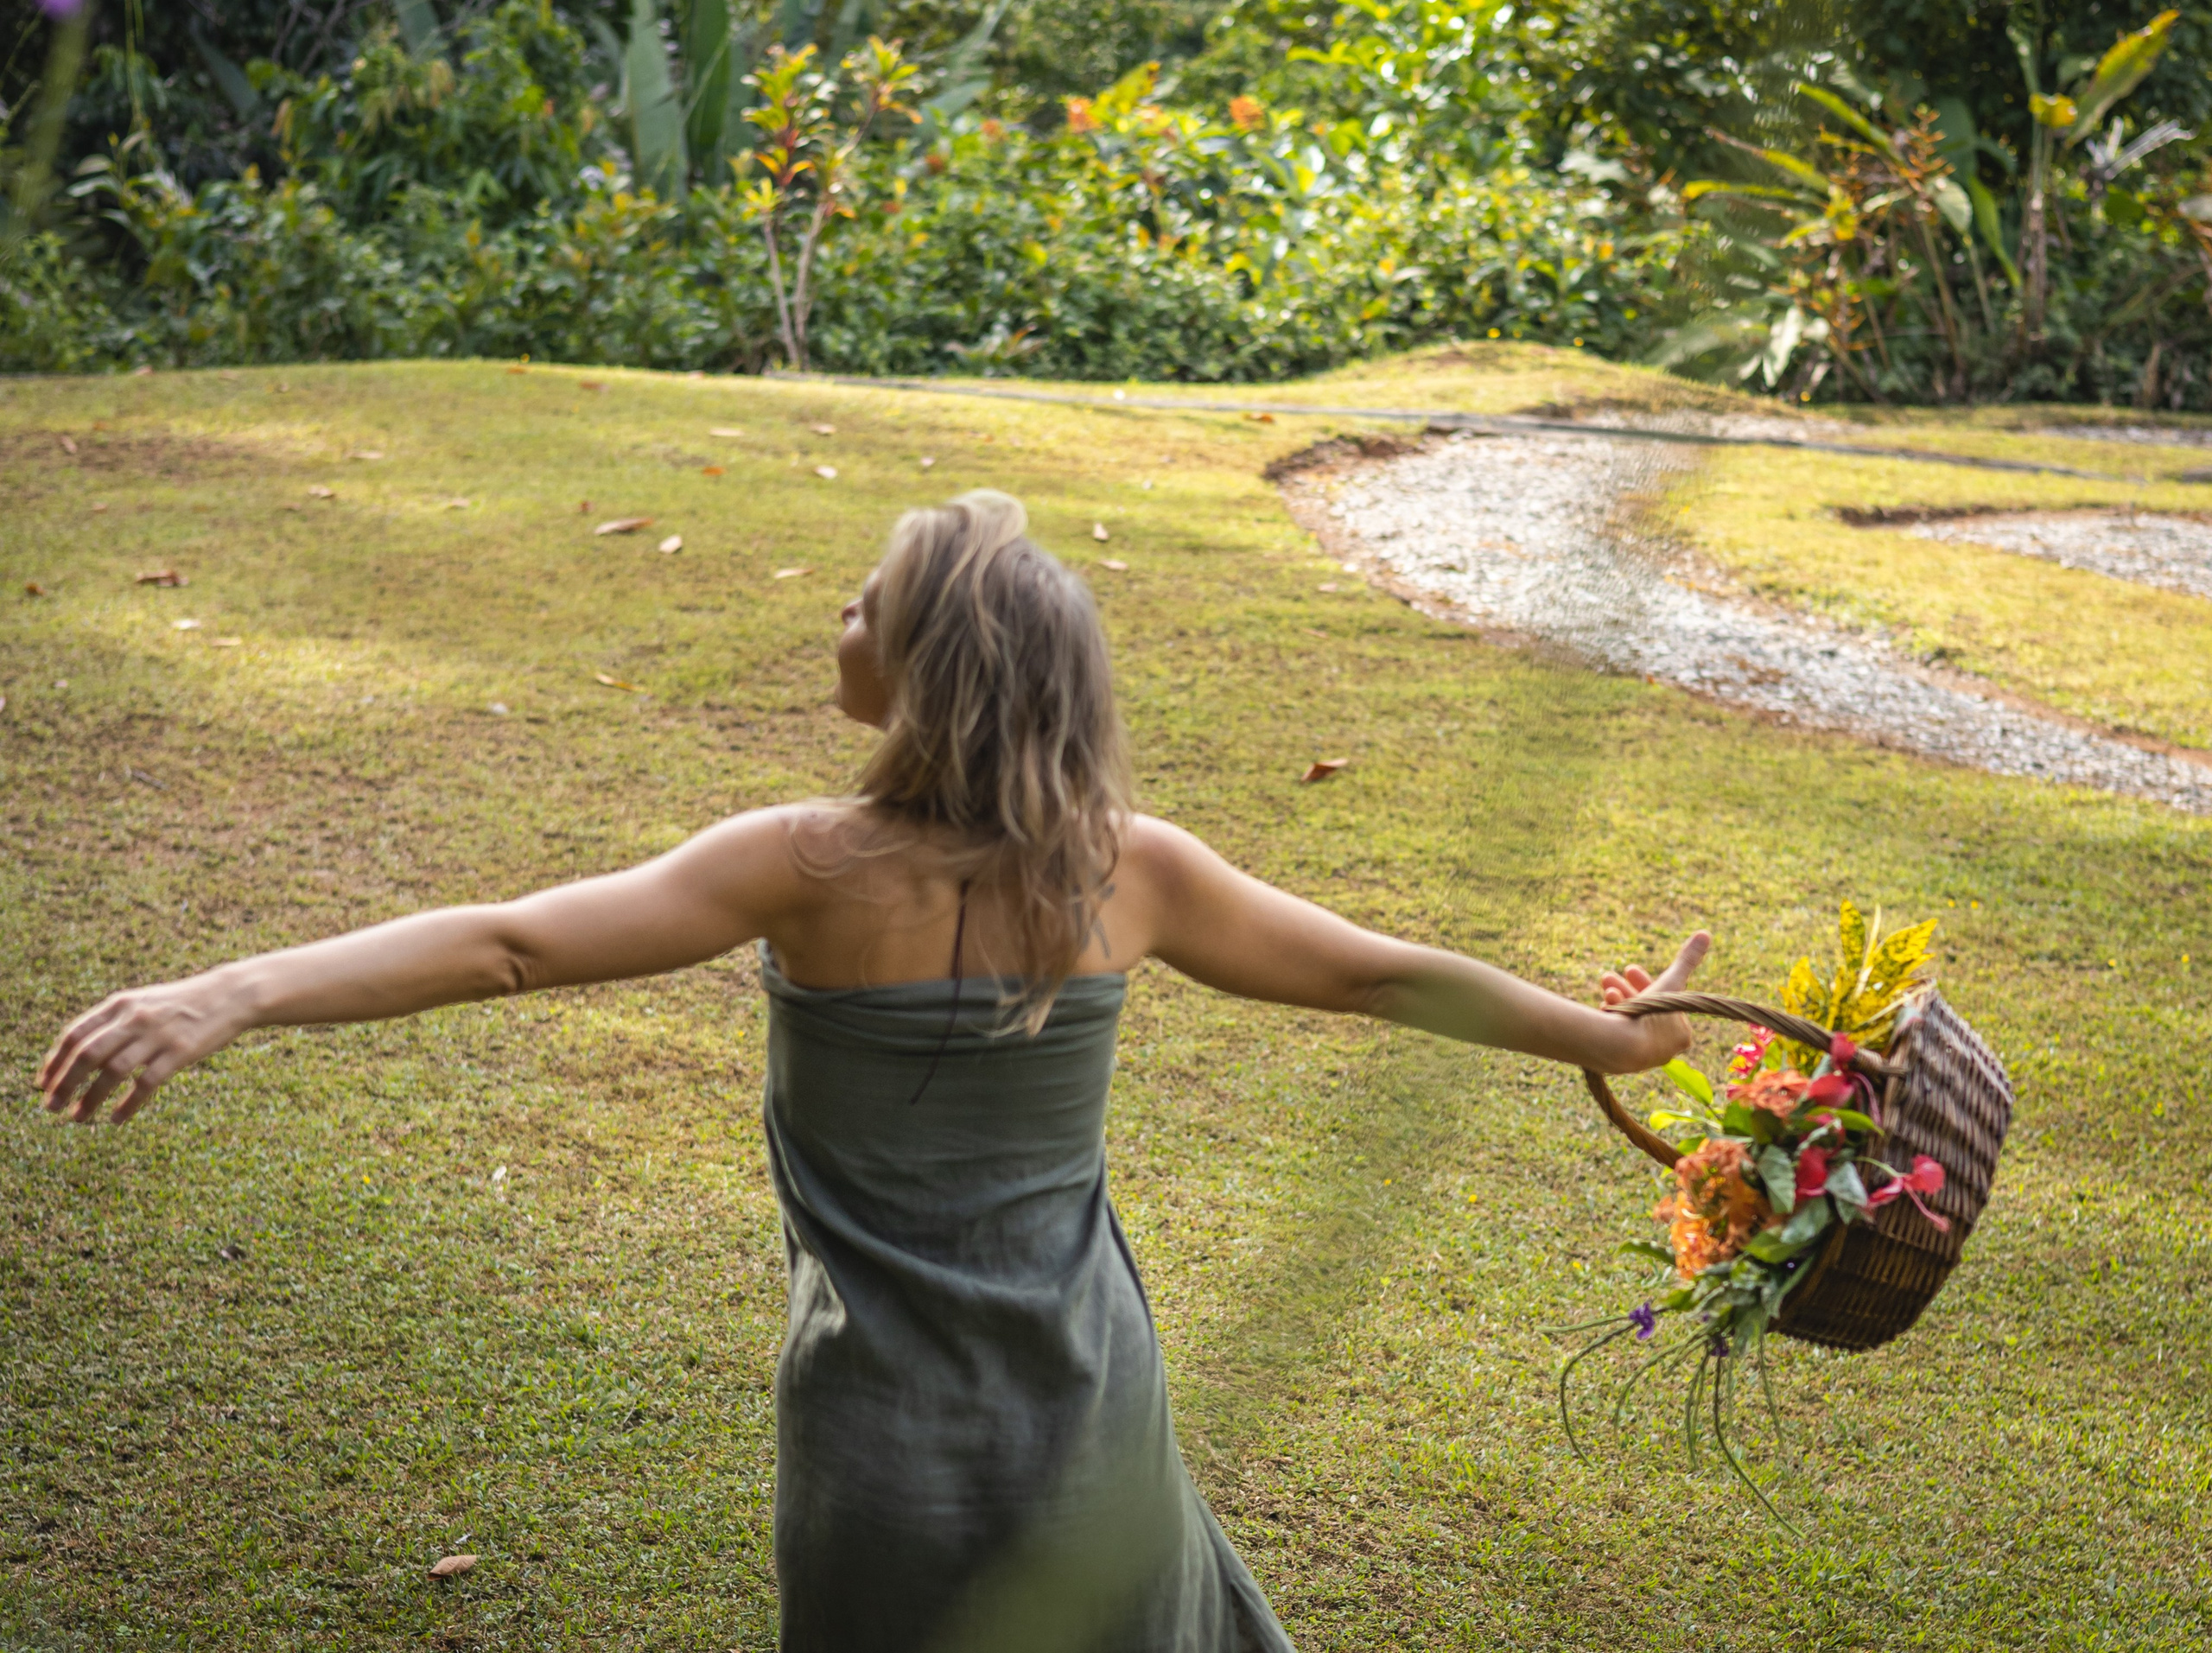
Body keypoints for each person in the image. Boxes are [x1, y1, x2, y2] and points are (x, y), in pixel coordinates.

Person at [37, 490, 1709, 1652]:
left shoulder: (804, 864)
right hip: (1088, 1402)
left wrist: (229, 990)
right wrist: (1601, 1032)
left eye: (863, 604)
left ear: (924, 674)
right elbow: (1375, 976)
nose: (834, 616)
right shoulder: (1132, 870)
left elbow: (512, 943)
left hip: (876, 1426)